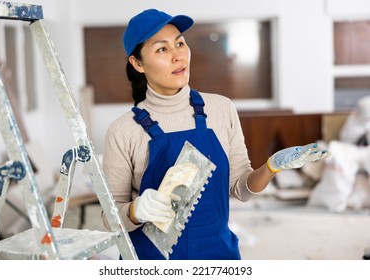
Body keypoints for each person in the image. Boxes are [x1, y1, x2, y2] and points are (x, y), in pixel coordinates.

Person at [101, 8, 329, 260]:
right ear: (137, 63)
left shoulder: (221, 109)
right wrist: (135, 211)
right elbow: (110, 219)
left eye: (180, 43)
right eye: (162, 49)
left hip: (218, 254)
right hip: (151, 259)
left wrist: (271, 167)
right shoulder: (123, 131)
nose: (178, 55)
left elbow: (240, 188)